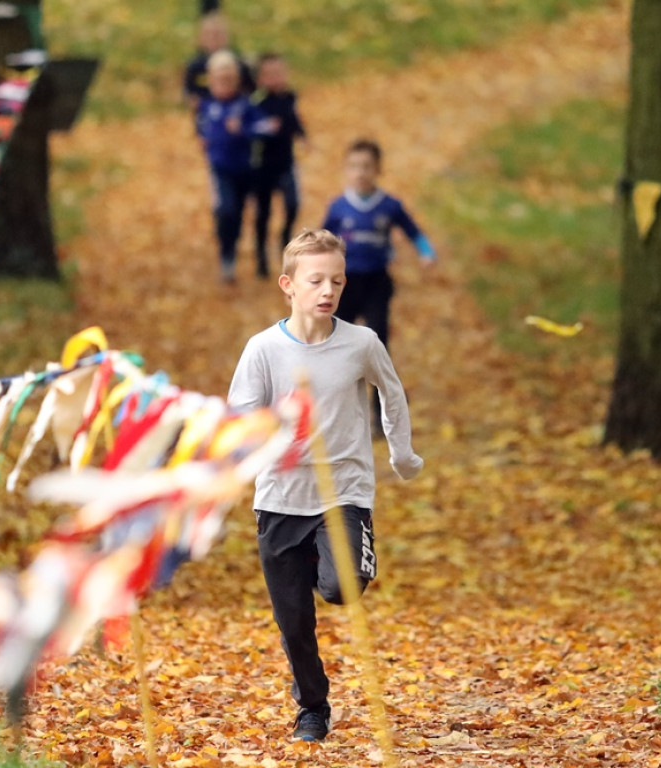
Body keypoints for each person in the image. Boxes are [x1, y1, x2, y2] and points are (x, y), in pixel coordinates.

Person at [227, 228, 423, 742]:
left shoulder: (361, 342)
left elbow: (393, 393)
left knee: (343, 586)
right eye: (316, 280)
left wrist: (401, 453)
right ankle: (312, 708)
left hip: (344, 492)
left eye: (336, 280)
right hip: (281, 499)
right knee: (294, 623)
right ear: (288, 285)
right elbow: (241, 418)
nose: (328, 290)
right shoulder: (263, 349)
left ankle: (330, 556)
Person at [321, 138, 436, 431]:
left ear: (378, 170)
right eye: (354, 167)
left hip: (376, 285)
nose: (360, 173)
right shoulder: (338, 207)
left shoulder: (389, 205)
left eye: (367, 167)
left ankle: (382, 416)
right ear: (346, 170)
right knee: (338, 348)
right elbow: (321, 243)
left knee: (376, 349)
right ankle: (339, 414)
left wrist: (426, 253)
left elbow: (414, 231)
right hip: (344, 288)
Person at [195, 50, 275, 283]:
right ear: (211, 81)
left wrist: (243, 130)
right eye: (219, 79)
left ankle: (231, 251)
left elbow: (265, 127)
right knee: (225, 209)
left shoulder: (244, 105)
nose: (224, 84)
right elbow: (203, 129)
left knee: (238, 213)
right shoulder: (207, 106)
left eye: (229, 79)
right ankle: (225, 253)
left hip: (244, 169)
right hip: (220, 170)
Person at [250, 52, 307, 279]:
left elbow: (293, 119)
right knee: (263, 213)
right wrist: (263, 128)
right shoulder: (257, 103)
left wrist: (302, 135)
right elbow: (249, 129)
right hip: (263, 167)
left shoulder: (289, 97)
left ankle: (285, 238)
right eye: (269, 74)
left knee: (292, 204)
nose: (275, 78)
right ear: (260, 78)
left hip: (286, 163)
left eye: (279, 73)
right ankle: (261, 256)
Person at [183, 11, 254, 111]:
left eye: (218, 34)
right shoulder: (195, 66)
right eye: (209, 35)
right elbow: (189, 91)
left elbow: (251, 89)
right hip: (207, 114)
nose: (214, 39)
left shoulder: (239, 64)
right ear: (201, 38)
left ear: (227, 37)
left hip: (236, 113)